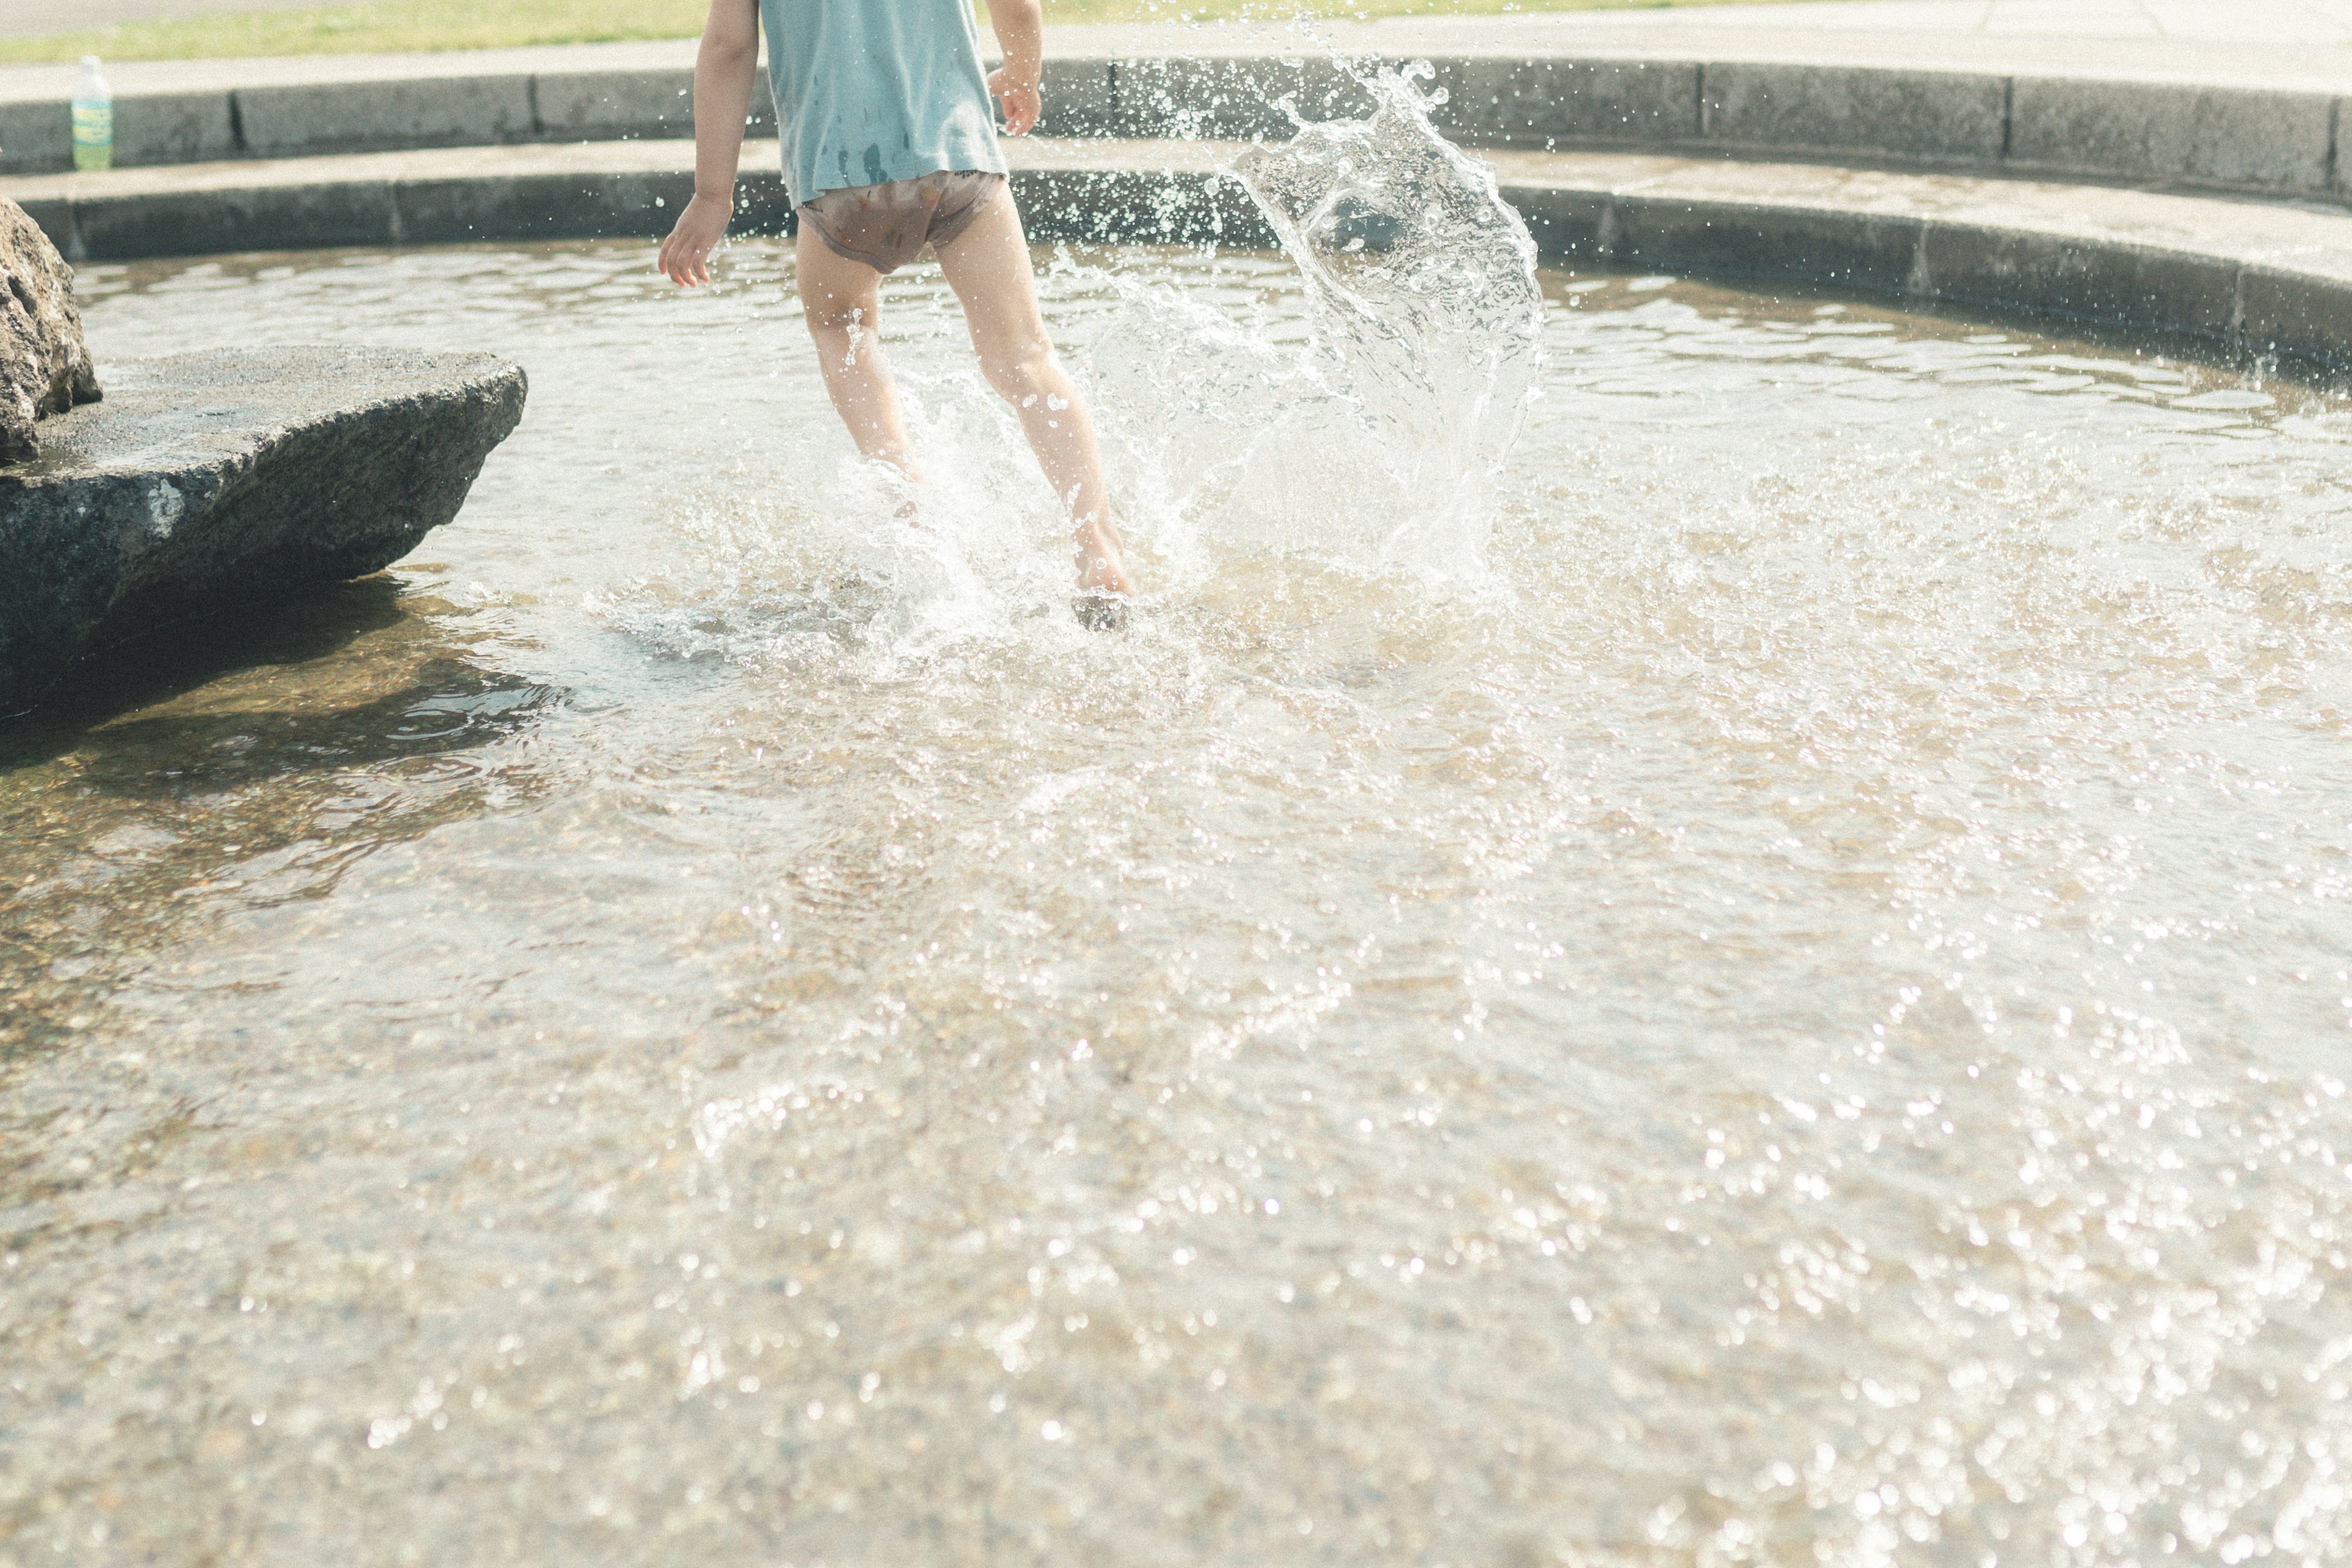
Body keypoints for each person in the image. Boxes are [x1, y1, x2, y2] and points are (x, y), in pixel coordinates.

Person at [656, 0, 1134, 627]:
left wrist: (713, 194)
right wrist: (1023, 77)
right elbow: (1017, 5)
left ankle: (914, 511)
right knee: (1024, 358)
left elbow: (728, 48)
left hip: (841, 176)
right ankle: (1095, 547)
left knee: (841, 329)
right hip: (959, 158)